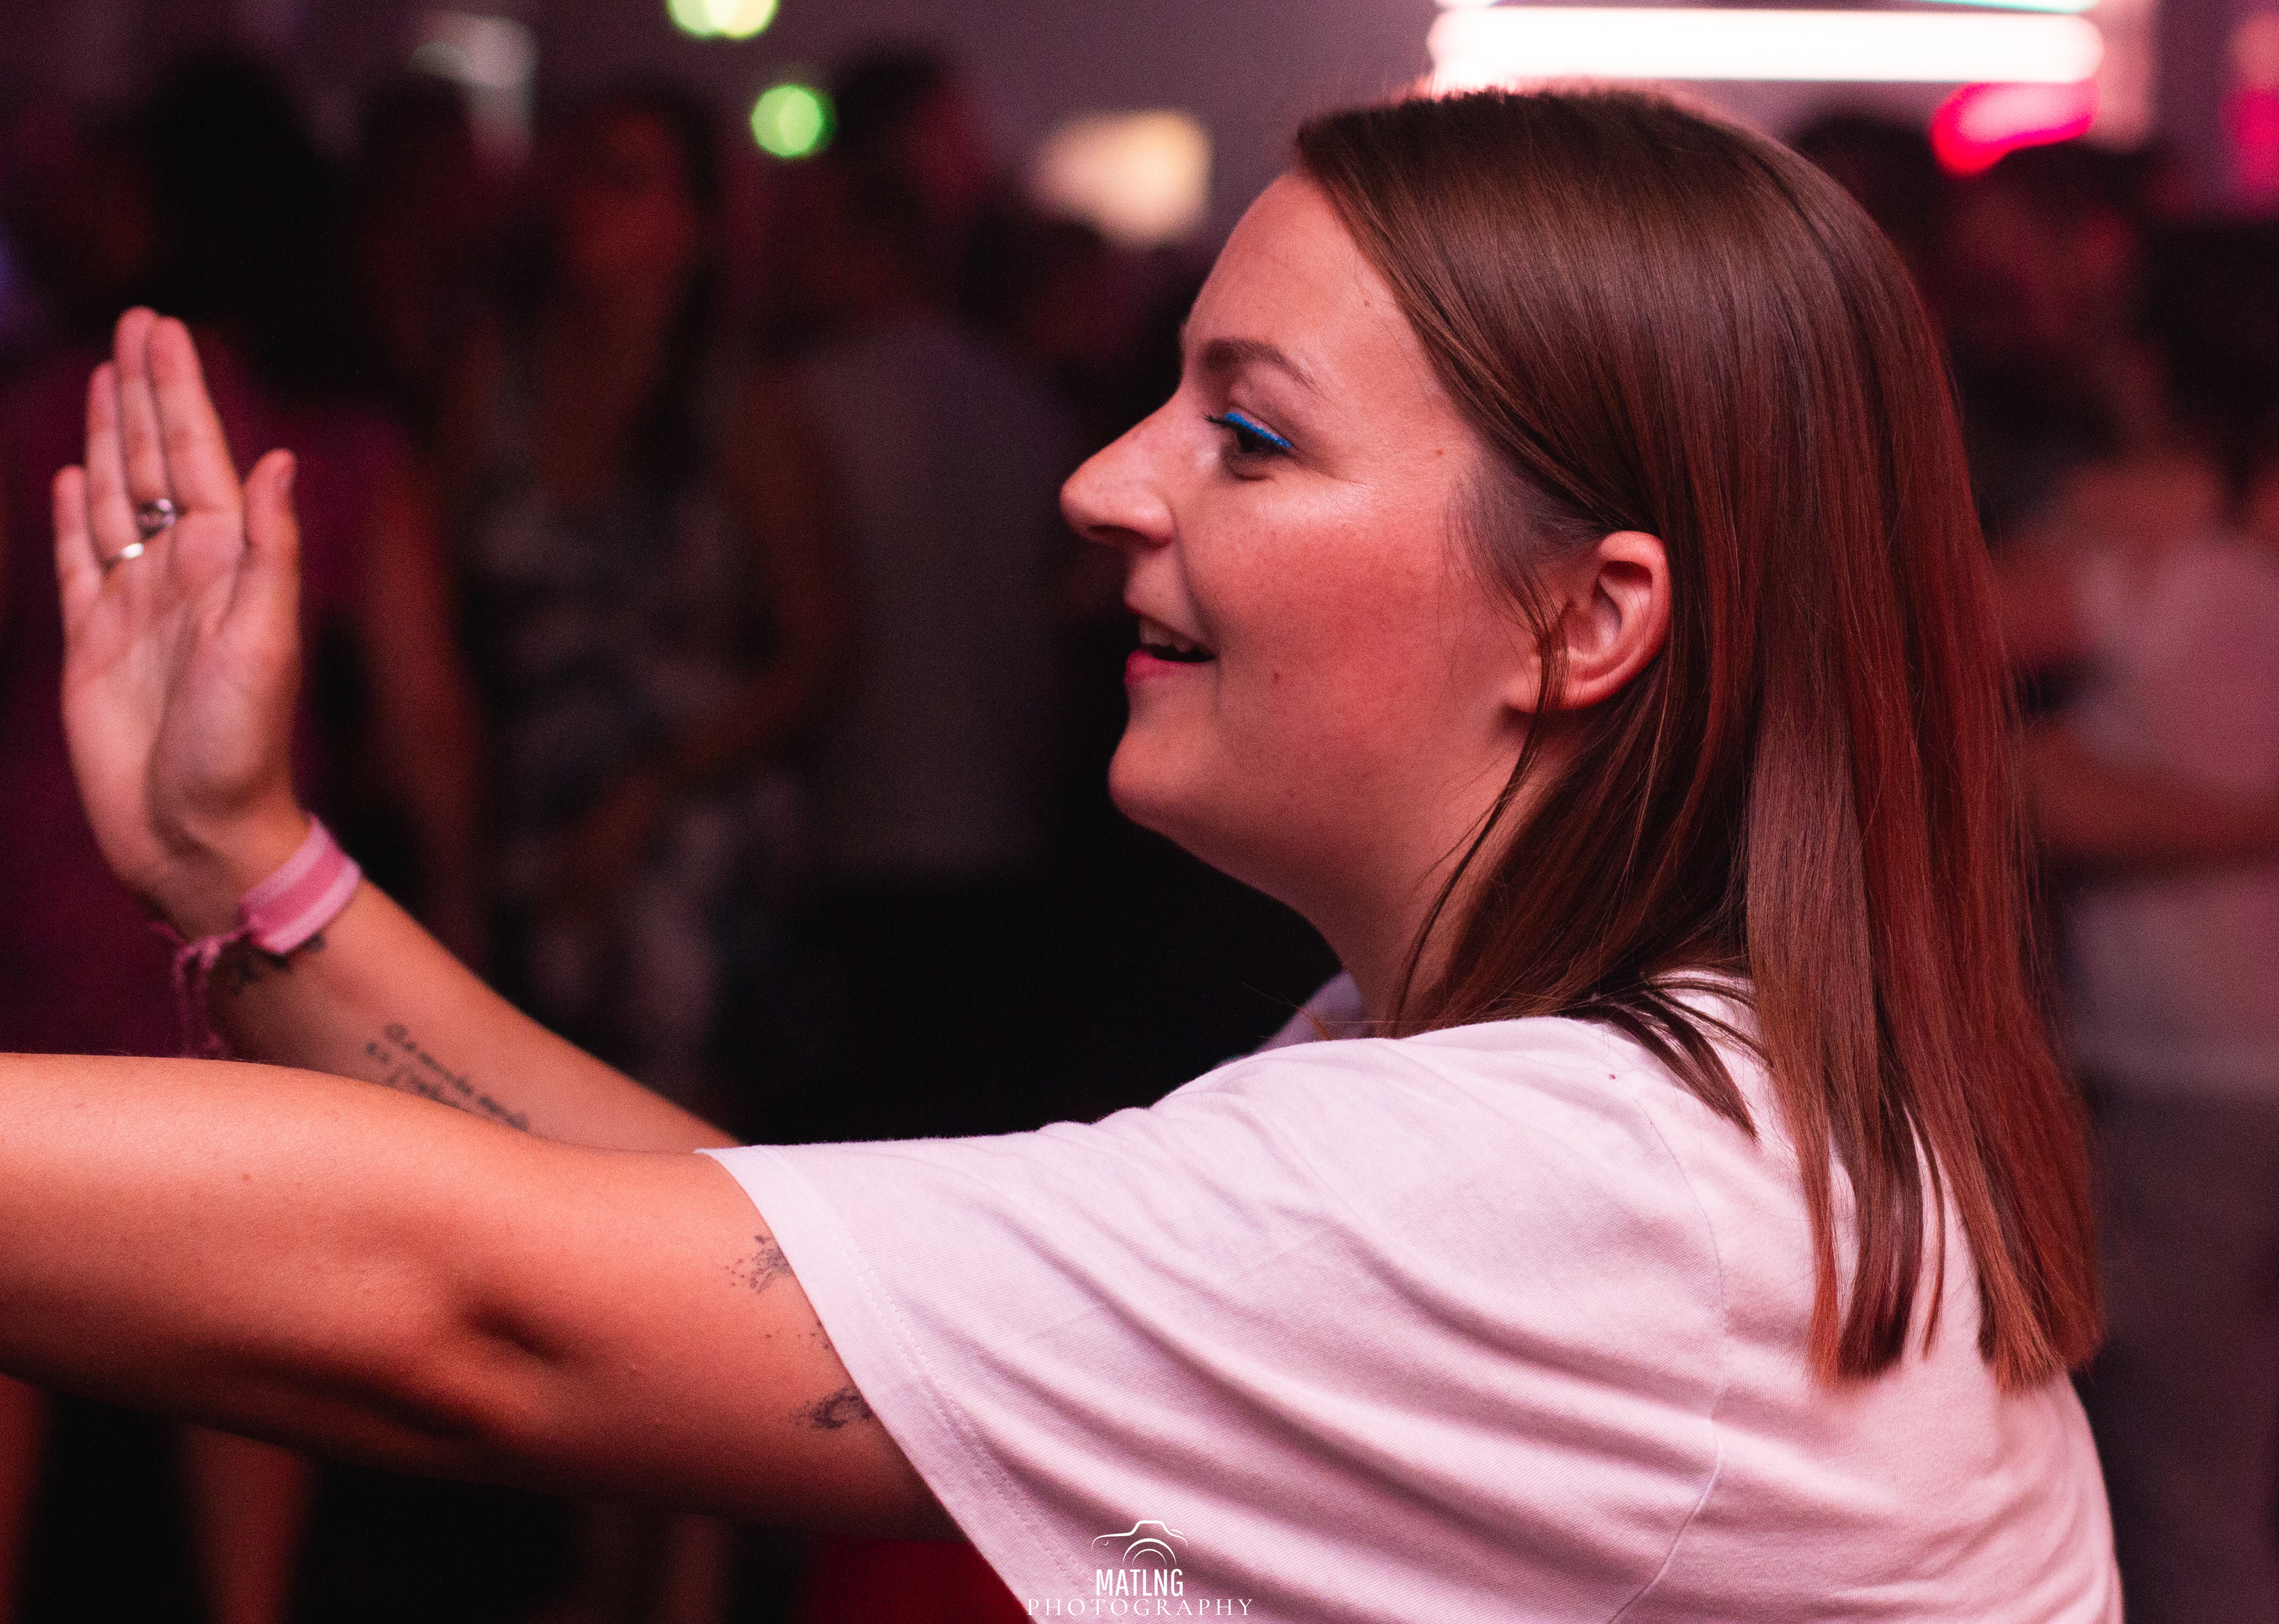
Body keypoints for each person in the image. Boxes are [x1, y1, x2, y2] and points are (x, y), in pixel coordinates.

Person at [8, 90, 2111, 1620]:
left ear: (1585, 618)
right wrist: (240, 864)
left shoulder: (1572, 1186)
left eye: (1250, 434)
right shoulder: (1593, 1084)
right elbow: (765, 1272)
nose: (1105, 479)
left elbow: (490, 1311)